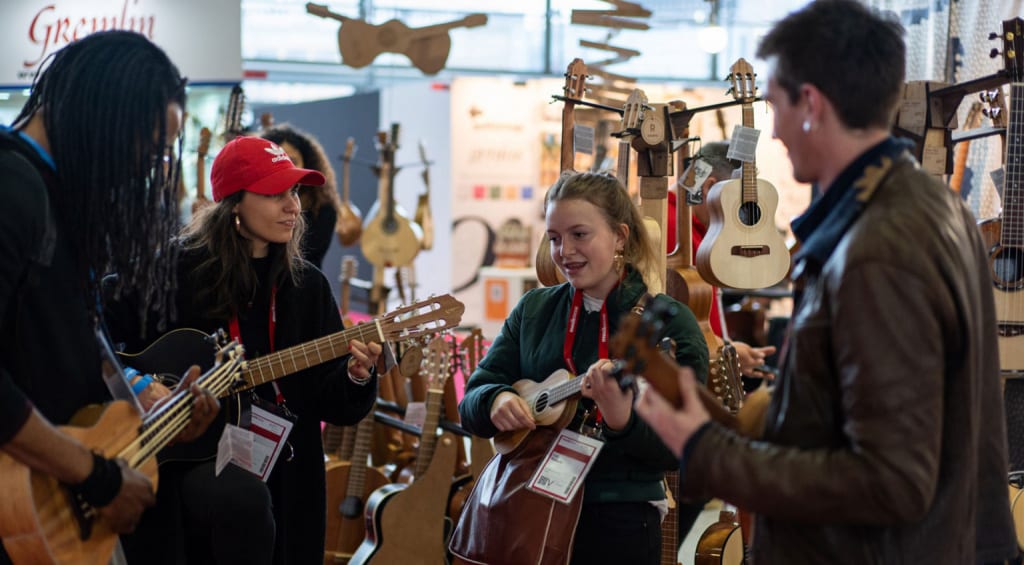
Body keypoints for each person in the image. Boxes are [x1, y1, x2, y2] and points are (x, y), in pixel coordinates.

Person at [634, 1, 1018, 563]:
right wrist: (751, 414)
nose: (774, 130)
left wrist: (707, 449)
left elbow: (890, 480)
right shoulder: (928, 204)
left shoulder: (879, 250)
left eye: (774, 104)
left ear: (810, 104)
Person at [106, 135, 381, 565]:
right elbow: (94, 335)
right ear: (233, 203)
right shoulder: (171, 273)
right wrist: (138, 383)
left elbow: (331, 401)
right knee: (241, 504)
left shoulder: (306, 286)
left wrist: (356, 376)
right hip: (180, 462)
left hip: (288, 469)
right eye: (276, 194)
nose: (294, 205)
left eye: (294, 191)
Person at [0, 31, 220, 563]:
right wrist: (96, 478)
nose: (146, 169)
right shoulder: (12, 187)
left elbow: (55, 352)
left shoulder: (57, 199)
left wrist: (146, 400)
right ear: (102, 118)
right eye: (144, 147)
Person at [457, 171, 709, 565]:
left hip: (617, 520)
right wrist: (494, 400)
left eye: (579, 235)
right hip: (527, 509)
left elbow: (682, 447)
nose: (564, 251)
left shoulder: (670, 322)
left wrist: (622, 418)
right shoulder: (534, 309)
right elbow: (472, 398)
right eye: (554, 238)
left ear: (620, 236)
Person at [669, 141, 777, 377]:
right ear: (710, 189)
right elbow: (676, 331)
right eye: (737, 205)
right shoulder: (675, 233)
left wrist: (727, 351)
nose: (738, 217)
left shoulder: (693, 229)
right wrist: (727, 351)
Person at [261, 124, 343, 270]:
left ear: (307, 162)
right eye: (279, 161)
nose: (286, 168)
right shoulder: (256, 202)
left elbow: (307, 258)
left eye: (292, 161)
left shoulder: (323, 207)